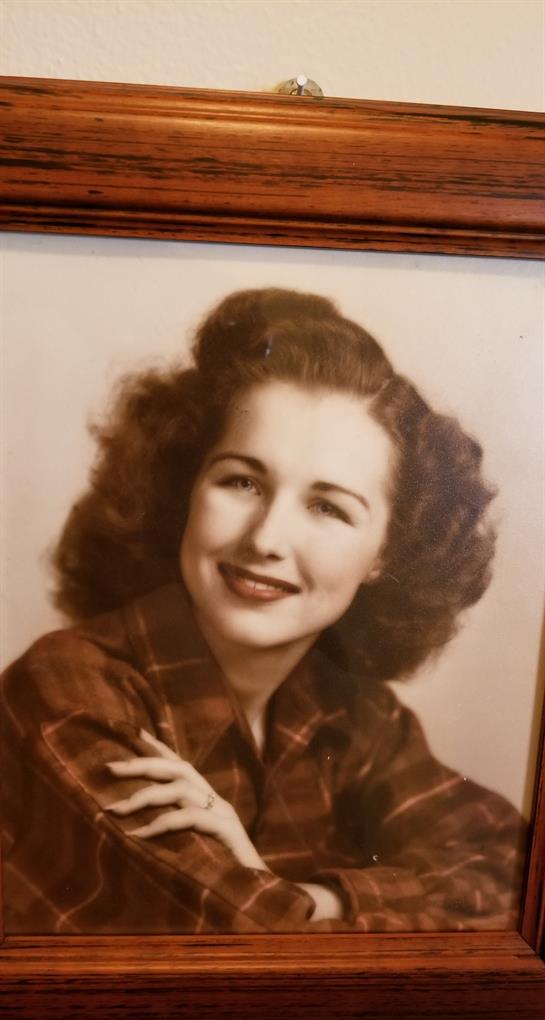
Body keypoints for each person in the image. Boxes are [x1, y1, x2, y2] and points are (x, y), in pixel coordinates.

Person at [1, 288, 527, 934]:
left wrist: (310, 896)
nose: (266, 539)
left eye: (327, 507)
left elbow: (514, 867)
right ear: (185, 487)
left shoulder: (352, 716)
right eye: (241, 481)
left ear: (383, 553)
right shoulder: (66, 690)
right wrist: (285, 903)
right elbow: (240, 936)